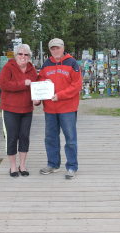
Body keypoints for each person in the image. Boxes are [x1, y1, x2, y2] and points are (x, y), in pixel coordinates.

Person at [37, 38, 82, 179]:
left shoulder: (72, 63)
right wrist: (44, 82)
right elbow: (39, 81)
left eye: (57, 48)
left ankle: (72, 166)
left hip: (67, 108)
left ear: (63, 48)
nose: (55, 50)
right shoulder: (46, 64)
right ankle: (53, 164)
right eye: (52, 48)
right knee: (50, 138)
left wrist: (60, 95)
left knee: (70, 138)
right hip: (50, 109)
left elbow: (77, 85)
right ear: (50, 50)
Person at [0, 44, 38, 177]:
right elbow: (3, 84)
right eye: (20, 54)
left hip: (27, 109)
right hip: (10, 109)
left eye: (26, 54)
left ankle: (22, 165)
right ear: (16, 56)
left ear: (29, 57)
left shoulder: (32, 69)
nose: (23, 56)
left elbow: (35, 88)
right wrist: (23, 83)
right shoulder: (8, 67)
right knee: (12, 137)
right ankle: (13, 167)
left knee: (24, 137)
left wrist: (37, 100)